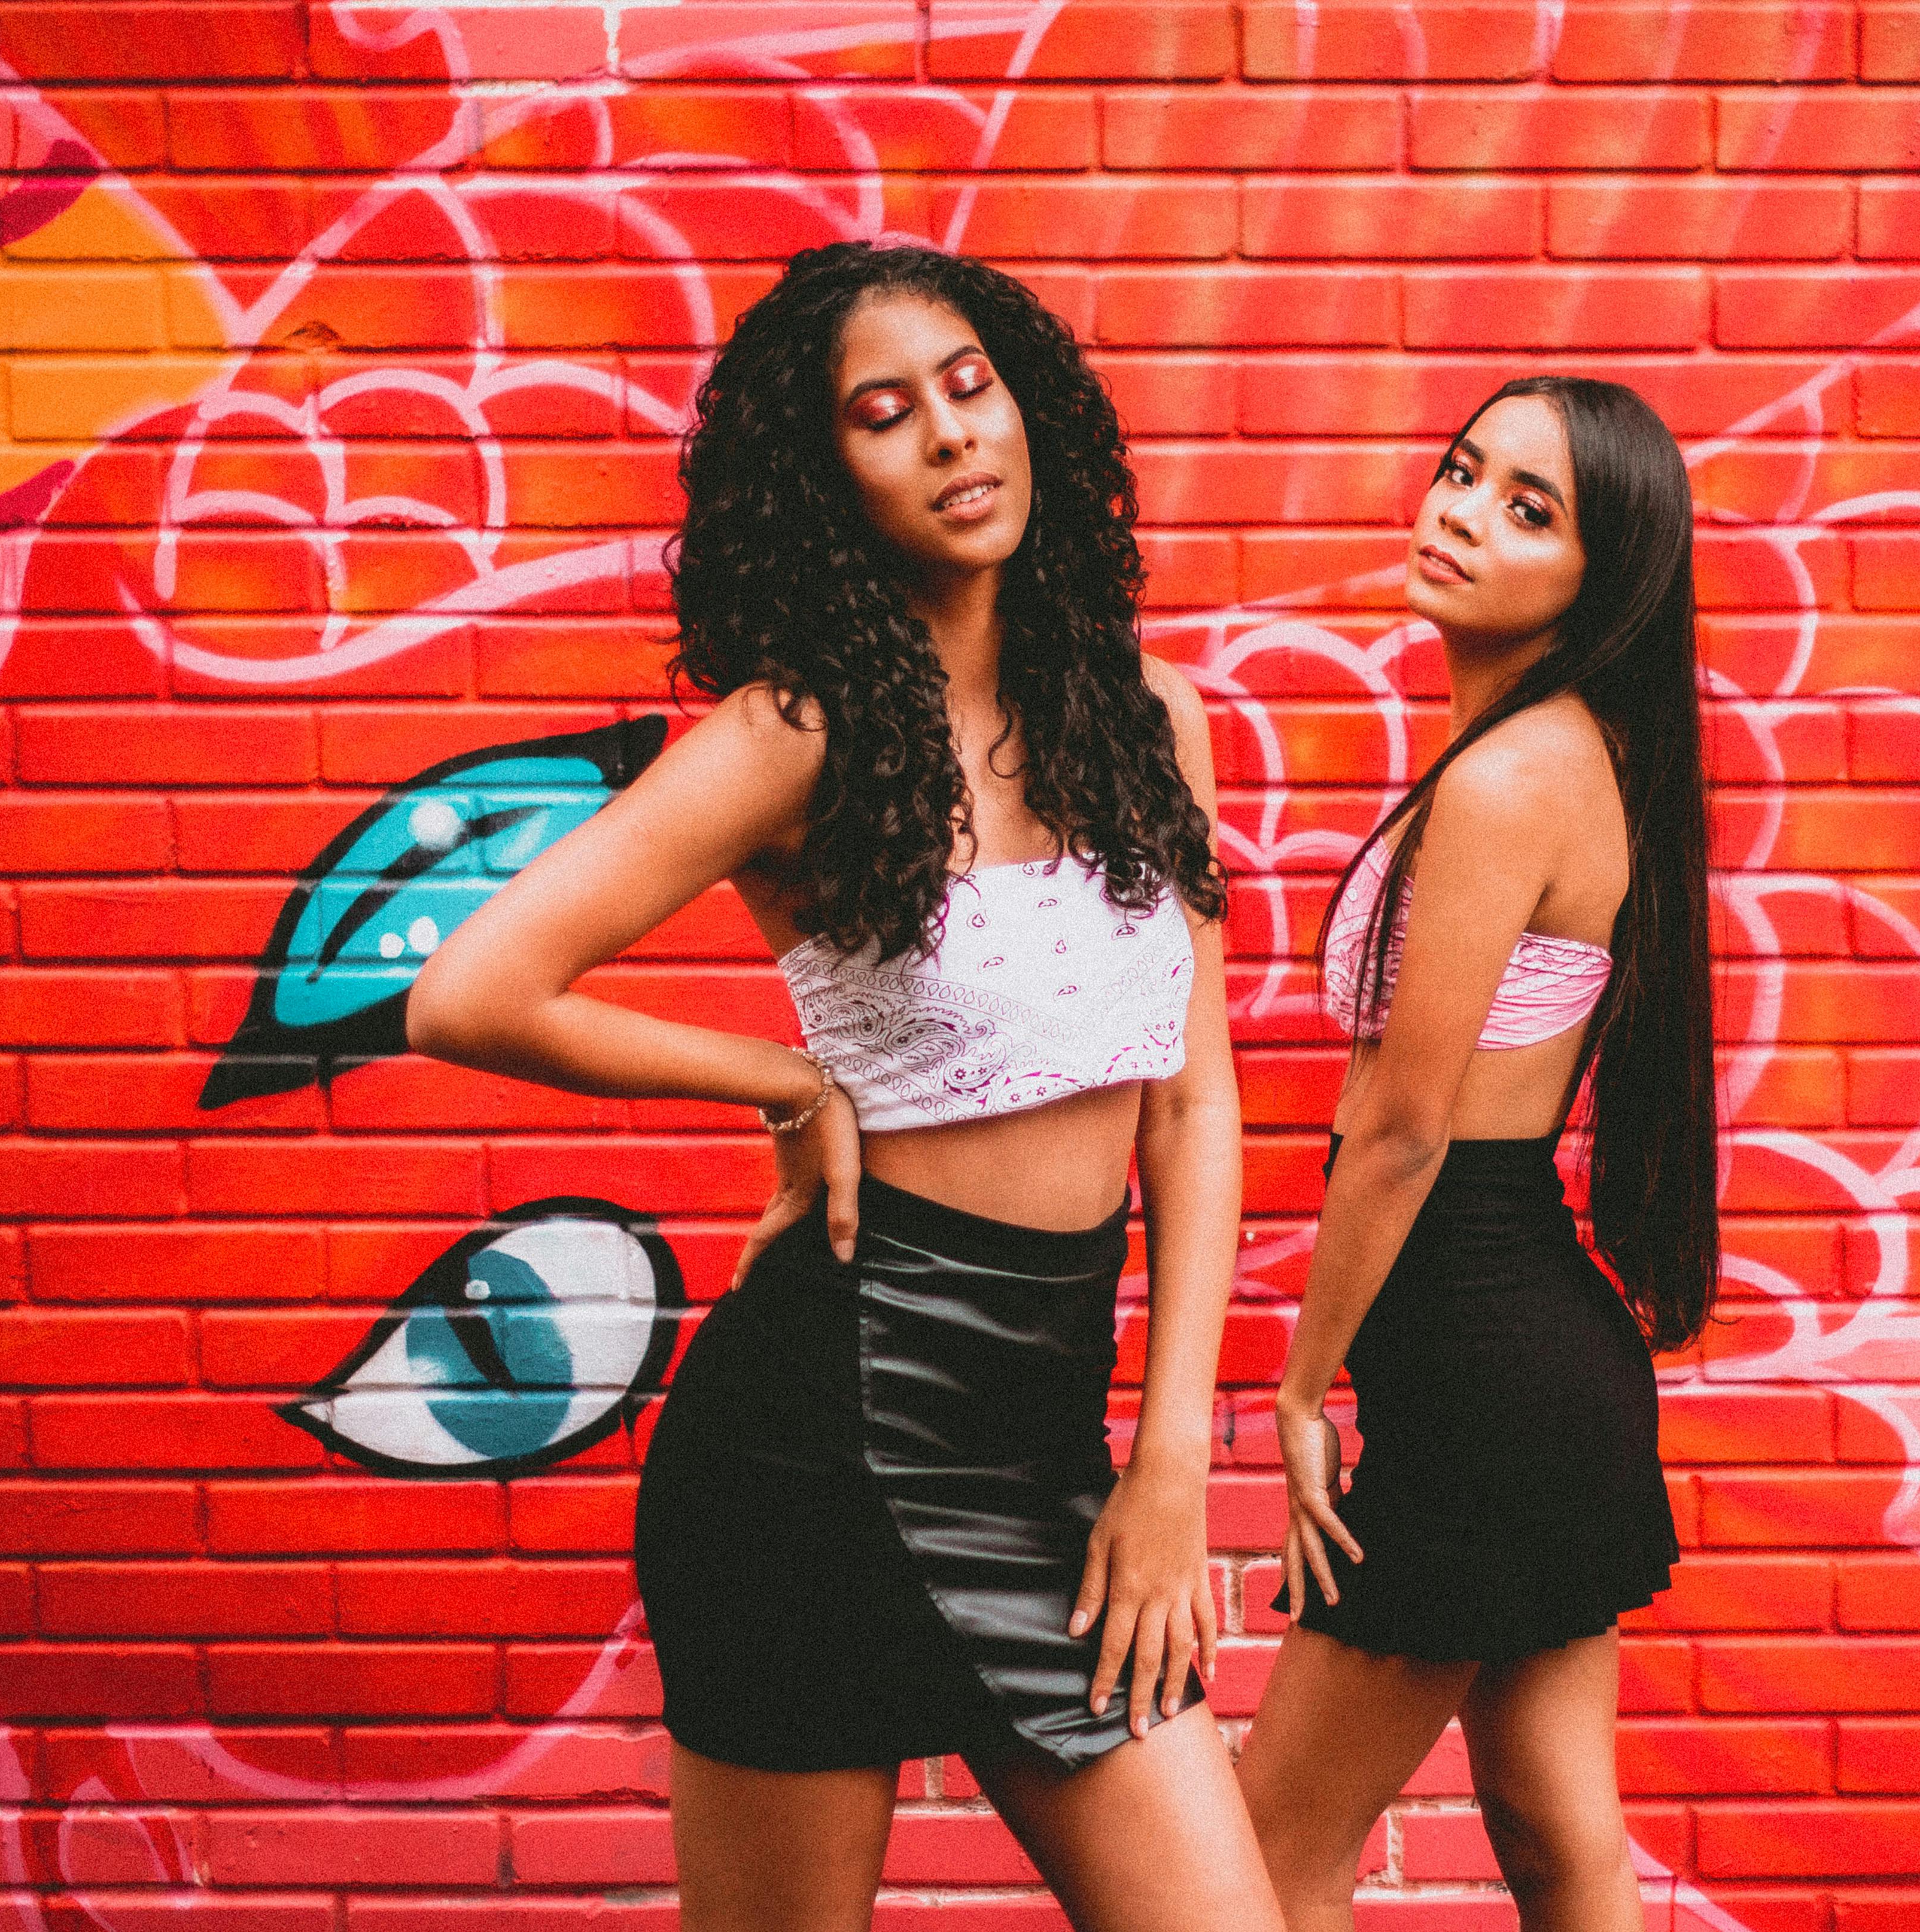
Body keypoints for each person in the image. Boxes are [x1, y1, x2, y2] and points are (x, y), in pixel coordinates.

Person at [406, 239, 1282, 1932]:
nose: (953, 437)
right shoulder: (792, 735)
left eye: (971, 387)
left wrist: (1171, 1462)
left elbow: (1193, 1109)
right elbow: (471, 992)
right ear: (828, 479)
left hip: (1041, 1451)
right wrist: (787, 1088)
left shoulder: (1150, 717)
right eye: (887, 416)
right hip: (814, 1449)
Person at [1233, 377, 1719, 1932]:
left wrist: (1302, 1390)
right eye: (1461, 473)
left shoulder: (1513, 777)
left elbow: (1397, 1131)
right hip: (1526, 1350)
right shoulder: (1556, 755)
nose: (1459, 515)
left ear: (1603, 577)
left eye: (1528, 509)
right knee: (1553, 1827)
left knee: (1261, 1859)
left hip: (1476, 1356)